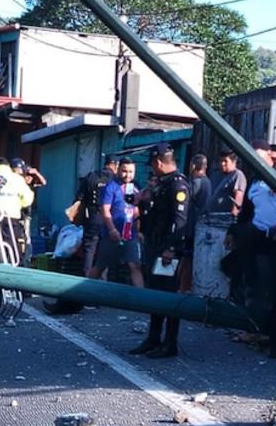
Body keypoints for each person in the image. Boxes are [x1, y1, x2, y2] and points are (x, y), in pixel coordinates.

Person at [236, 139, 276, 359]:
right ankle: (257, 332)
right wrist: (233, 233)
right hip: (259, 240)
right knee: (257, 287)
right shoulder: (255, 180)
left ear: (271, 156)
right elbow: (246, 212)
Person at [130, 143, 191, 358]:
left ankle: (169, 343)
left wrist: (171, 249)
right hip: (156, 246)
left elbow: (180, 222)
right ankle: (153, 338)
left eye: (152, 165)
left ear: (158, 162)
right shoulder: (162, 184)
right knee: (156, 295)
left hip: (167, 251)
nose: (152, 170)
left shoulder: (178, 185)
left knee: (168, 297)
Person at [89, 158, 144, 288]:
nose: (128, 175)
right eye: (124, 171)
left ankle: (143, 302)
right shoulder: (111, 186)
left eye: (131, 172)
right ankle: (81, 294)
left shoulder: (135, 187)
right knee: (101, 265)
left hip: (131, 234)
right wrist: (112, 230)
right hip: (112, 234)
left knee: (135, 265)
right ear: (118, 169)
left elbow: (136, 210)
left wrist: (139, 230)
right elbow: (105, 210)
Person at [74, 155, 119, 277]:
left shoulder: (91, 176)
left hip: (92, 217)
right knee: (105, 250)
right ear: (115, 165)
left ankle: (86, 277)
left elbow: (79, 197)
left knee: (89, 249)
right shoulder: (116, 179)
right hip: (109, 219)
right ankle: (103, 280)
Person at [178, 154, 212, 293]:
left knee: (187, 260)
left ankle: (182, 287)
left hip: (191, 227)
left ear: (193, 166)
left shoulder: (196, 182)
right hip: (200, 226)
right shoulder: (208, 182)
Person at [0, 158, 34, 263]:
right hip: (11, 217)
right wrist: (19, 203)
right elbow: (28, 200)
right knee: (13, 245)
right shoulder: (16, 179)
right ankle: (13, 264)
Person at [11, 157, 47, 266]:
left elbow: (43, 182)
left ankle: (26, 258)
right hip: (17, 213)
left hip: (26, 215)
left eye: (30, 177)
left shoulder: (29, 185)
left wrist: (35, 172)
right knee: (19, 237)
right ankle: (18, 257)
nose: (28, 179)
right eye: (26, 176)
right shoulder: (17, 183)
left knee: (27, 238)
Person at [207, 149, 247, 216]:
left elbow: (238, 199)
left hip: (225, 217)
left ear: (233, 162)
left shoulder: (237, 175)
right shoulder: (216, 175)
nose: (222, 164)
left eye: (225, 161)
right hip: (211, 216)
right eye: (221, 161)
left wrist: (233, 216)